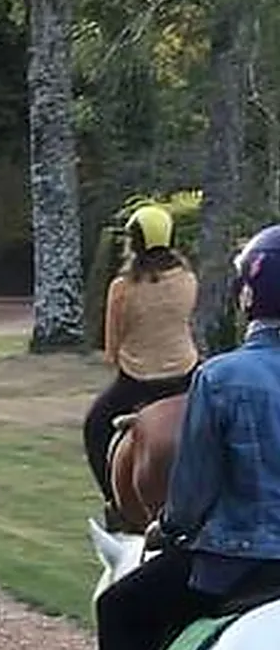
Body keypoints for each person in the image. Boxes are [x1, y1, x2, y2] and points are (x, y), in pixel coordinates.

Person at [95, 224, 280, 650]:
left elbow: (193, 491)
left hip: (240, 561)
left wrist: (169, 528)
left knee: (117, 611)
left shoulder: (220, 377)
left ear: (248, 298)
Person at [83, 204, 199, 528]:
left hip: (138, 379)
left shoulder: (122, 287)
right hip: (185, 374)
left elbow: (111, 348)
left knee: (95, 426)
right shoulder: (188, 279)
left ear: (134, 241)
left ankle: (114, 503)